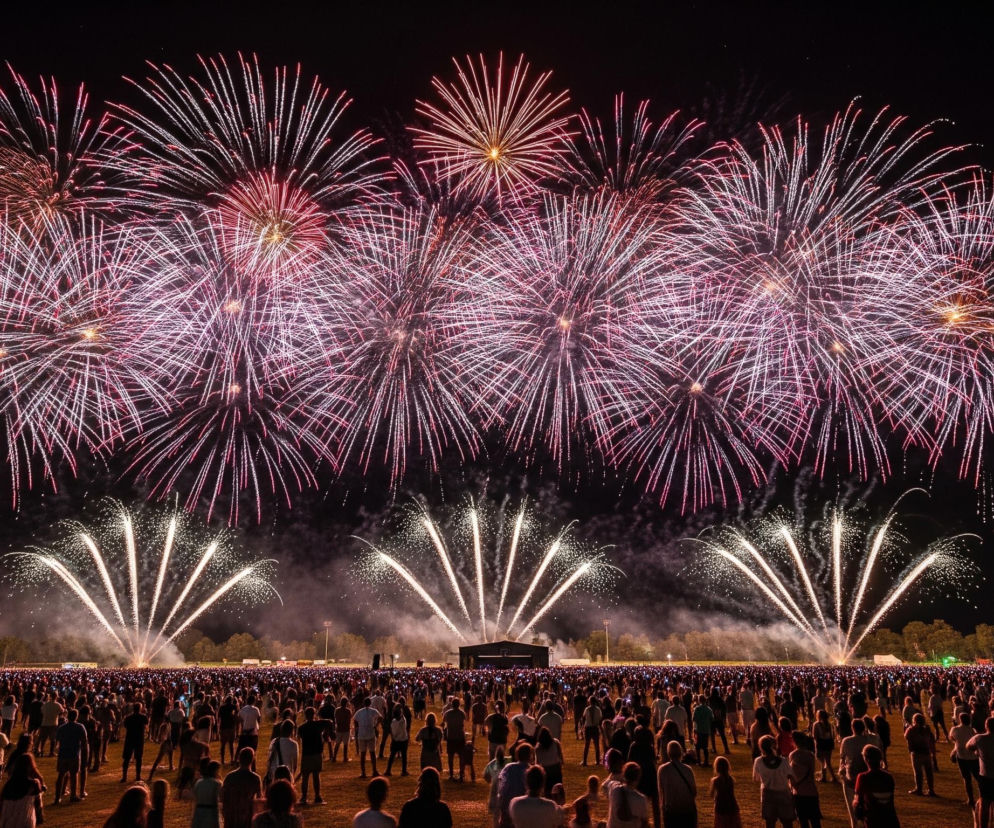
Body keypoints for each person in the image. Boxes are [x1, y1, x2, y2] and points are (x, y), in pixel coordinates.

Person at [752, 734, 795, 828]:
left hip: (768, 794)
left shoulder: (758, 761)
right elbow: (791, 777)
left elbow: (756, 778)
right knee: (787, 823)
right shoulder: (784, 761)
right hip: (783, 793)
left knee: (770, 823)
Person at [853, 744, 899, 828]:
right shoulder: (888, 777)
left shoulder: (863, 777)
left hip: (873, 819)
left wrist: (859, 818)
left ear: (866, 759)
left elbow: (858, 801)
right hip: (890, 819)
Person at [657, 740, 697, 828]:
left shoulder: (662, 770)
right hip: (687, 810)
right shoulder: (688, 769)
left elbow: (661, 792)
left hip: (671, 810)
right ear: (680, 752)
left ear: (668, 753)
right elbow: (694, 792)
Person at [221, 747, 263, 828]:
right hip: (247, 815)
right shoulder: (255, 778)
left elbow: (223, 796)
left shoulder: (230, 776)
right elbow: (259, 799)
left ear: (239, 759)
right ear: (252, 760)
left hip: (231, 815)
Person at [0, 754, 44, 828]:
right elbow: (38, 805)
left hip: (7, 821)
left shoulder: (8, 785)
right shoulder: (33, 784)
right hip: (25, 821)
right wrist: (40, 818)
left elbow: (2, 805)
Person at [54, 707, 87, 804]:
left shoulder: (62, 728)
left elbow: (57, 741)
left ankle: (57, 797)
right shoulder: (80, 727)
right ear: (76, 717)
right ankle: (73, 795)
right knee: (74, 775)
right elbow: (84, 741)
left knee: (61, 775)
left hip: (63, 753)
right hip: (74, 753)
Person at [789, 733, 821, 828]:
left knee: (803, 822)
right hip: (811, 791)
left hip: (799, 792)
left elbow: (793, 774)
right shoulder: (810, 755)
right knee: (815, 821)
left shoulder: (793, 755)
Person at [967, 716, 994, 828]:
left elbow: (968, 746)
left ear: (986, 726)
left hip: (986, 776)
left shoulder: (980, 738)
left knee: (984, 804)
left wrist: (977, 752)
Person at [498, 743, 534, 826]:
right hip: (524, 808)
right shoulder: (531, 770)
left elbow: (502, 785)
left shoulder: (509, 767)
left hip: (507, 806)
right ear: (530, 756)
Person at [949, 710, 979, 808]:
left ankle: (970, 799)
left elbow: (952, 738)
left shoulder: (955, 729)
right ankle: (983, 796)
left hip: (962, 757)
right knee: (978, 778)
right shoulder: (972, 730)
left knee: (967, 779)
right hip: (973, 757)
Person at [296, 706, 326, 804]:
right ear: (314, 715)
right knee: (316, 775)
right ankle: (317, 796)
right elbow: (328, 722)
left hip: (306, 753)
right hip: (317, 753)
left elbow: (299, 739)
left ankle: (304, 797)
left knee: (305, 776)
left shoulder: (301, 728)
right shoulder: (319, 725)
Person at [608, 762, 649, 828]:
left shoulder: (614, 789)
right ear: (638, 777)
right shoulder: (641, 799)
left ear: (623, 774)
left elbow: (609, 780)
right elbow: (644, 823)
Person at [904, 712, 937, 796]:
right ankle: (931, 790)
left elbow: (906, 737)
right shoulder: (927, 729)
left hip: (916, 753)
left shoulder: (911, 730)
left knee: (918, 772)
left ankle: (919, 789)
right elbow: (931, 740)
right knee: (929, 772)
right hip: (926, 752)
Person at [710, 756, 741, 828]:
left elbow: (712, 794)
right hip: (732, 804)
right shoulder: (731, 779)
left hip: (720, 805)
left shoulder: (715, 780)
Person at [120, 702, 149, 784]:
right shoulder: (143, 717)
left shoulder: (128, 717)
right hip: (139, 739)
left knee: (127, 758)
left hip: (130, 738)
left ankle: (124, 777)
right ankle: (138, 776)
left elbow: (125, 725)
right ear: (140, 708)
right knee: (138, 758)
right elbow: (147, 723)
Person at [354, 697, 382, 779]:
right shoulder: (373, 711)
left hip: (362, 734)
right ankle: (374, 771)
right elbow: (380, 717)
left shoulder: (359, 712)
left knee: (363, 754)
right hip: (370, 733)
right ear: (370, 703)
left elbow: (355, 720)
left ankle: (363, 772)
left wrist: (357, 728)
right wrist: (376, 725)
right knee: (372, 753)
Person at [265, 720, 299, 786]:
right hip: (286, 774)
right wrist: (292, 776)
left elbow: (269, 759)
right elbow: (295, 764)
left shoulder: (274, 741)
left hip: (274, 773)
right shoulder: (294, 744)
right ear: (292, 731)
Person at [484, 746, 510, 828]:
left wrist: (490, 781)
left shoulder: (492, 764)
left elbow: (486, 776)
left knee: (496, 814)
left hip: (496, 790)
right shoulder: (509, 761)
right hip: (505, 789)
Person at [442, 697, 466, 781]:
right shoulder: (462, 713)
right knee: (461, 757)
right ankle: (461, 775)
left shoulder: (448, 713)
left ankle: (451, 774)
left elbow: (444, 722)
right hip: (460, 737)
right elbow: (463, 723)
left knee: (450, 757)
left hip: (451, 737)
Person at [535, 727, 564, 796]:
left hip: (545, 769)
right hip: (556, 768)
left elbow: (538, 762)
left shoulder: (537, 748)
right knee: (558, 788)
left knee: (547, 790)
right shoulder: (555, 742)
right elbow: (560, 755)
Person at [811, 710, 836, 783]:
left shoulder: (816, 724)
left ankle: (827, 777)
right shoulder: (830, 724)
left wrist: (815, 746)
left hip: (821, 743)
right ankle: (826, 777)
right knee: (827, 761)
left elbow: (815, 736)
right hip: (829, 743)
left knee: (822, 761)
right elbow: (833, 736)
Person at [385, 706, 409, 777]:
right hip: (403, 741)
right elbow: (403, 716)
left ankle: (388, 770)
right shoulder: (403, 721)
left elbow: (392, 731)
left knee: (392, 756)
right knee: (404, 756)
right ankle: (404, 771)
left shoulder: (393, 722)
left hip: (395, 740)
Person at [692, 696, 714, 767]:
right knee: (705, 747)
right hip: (706, 730)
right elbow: (712, 719)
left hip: (698, 729)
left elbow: (694, 718)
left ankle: (698, 761)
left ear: (699, 700)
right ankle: (706, 761)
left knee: (697, 746)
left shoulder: (697, 709)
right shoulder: (709, 709)